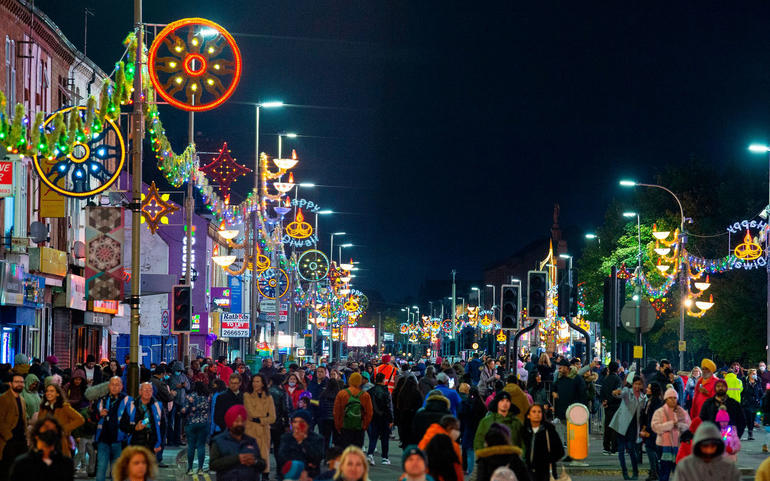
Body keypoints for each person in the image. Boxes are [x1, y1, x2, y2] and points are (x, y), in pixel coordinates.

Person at [210, 404, 266, 481]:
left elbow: (262, 465)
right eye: (236, 421)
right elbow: (213, 465)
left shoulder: (251, 441)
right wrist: (237, 459)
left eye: (242, 421)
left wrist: (255, 462)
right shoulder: (219, 441)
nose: (240, 424)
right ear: (230, 422)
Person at [9, 416, 74, 481]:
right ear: (36, 435)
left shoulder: (66, 464)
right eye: (46, 428)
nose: (49, 433)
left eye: (53, 431)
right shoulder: (23, 463)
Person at [671, 421, 740, 481]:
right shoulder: (685, 465)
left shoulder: (728, 467)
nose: (709, 450)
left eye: (712, 446)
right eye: (705, 446)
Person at [93, 376, 131, 481]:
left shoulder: (127, 400)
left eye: (117, 385)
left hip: (119, 440)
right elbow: (93, 417)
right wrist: (99, 414)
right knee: (101, 469)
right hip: (103, 440)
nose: (114, 387)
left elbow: (132, 419)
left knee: (116, 473)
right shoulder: (103, 400)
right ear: (109, 386)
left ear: (121, 386)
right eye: (112, 384)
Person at [609, 375, 646, 480]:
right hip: (622, 423)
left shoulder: (643, 397)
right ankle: (625, 472)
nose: (637, 386)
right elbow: (619, 394)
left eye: (639, 384)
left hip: (633, 425)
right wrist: (616, 393)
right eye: (635, 384)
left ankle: (635, 472)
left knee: (631, 449)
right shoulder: (627, 391)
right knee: (621, 449)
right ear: (632, 384)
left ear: (642, 385)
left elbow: (642, 412)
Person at [651, 388, 690, 481]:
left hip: (678, 446)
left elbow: (688, 426)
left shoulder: (682, 412)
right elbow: (655, 426)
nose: (673, 400)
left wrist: (679, 425)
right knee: (664, 472)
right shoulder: (660, 412)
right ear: (666, 399)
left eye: (675, 398)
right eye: (670, 398)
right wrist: (671, 425)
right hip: (663, 446)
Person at [37, 383, 85, 456]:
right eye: (47, 391)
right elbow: (39, 423)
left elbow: (80, 419)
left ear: (58, 394)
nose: (48, 393)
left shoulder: (64, 407)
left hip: (60, 444)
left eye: (52, 391)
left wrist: (63, 429)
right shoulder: (43, 407)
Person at [244, 373, 276, 480]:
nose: (255, 383)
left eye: (257, 381)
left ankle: (265, 475)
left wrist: (260, 420)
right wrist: (263, 417)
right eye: (253, 381)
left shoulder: (269, 397)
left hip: (264, 431)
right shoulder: (247, 395)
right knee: (251, 455)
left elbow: (273, 417)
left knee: (264, 455)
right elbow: (250, 413)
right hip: (250, 430)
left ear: (263, 384)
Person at [520, 403, 562, 481]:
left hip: (545, 473)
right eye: (534, 412)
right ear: (528, 415)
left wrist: (546, 460)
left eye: (539, 412)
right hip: (527, 473)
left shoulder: (549, 430)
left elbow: (560, 451)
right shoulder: (524, 431)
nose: (537, 414)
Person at [277, 410, 325, 478]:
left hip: (310, 476)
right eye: (295, 422)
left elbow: (317, 458)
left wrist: (302, 442)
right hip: (290, 474)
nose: (297, 425)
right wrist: (305, 463)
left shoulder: (317, 439)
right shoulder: (286, 438)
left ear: (308, 424)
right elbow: (283, 457)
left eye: (301, 422)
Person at [121, 382, 163, 455]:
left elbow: (163, 427)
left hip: (152, 444)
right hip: (135, 444)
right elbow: (122, 425)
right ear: (140, 392)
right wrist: (135, 428)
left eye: (150, 390)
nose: (148, 392)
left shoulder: (157, 406)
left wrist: (160, 444)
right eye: (145, 390)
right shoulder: (131, 406)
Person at [333, 372, 373, 448]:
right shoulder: (365, 395)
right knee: (357, 451)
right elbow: (369, 413)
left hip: (345, 427)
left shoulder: (341, 394)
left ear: (349, 381)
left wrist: (338, 426)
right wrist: (364, 426)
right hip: (359, 427)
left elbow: (336, 412)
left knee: (345, 450)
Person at [0, 374, 28, 479]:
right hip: (8, 442)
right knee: (7, 471)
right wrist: (8, 437)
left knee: (20, 471)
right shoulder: (3, 399)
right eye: (17, 382)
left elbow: (24, 420)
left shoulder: (22, 400)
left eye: (22, 382)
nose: (20, 384)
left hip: (21, 440)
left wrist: (26, 436)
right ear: (10, 384)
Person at [181, 381, 211, 475]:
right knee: (201, 446)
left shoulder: (190, 397)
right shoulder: (206, 398)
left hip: (191, 423)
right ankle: (200, 469)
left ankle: (190, 469)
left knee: (191, 446)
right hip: (203, 423)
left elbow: (184, 410)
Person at [367, 372, 393, 465]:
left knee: (373, 437)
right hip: (384, 417)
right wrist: (391, 419)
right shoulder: (386, 391)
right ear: (383, 380)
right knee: (385, 438)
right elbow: (389, 406)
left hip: (373, 417)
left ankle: (370, 454)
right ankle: (385, 458)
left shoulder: (370, 391)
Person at [639, 382, 662, 481]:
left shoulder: (656, 402)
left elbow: (653, 417)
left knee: (650, 449)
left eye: (649, 388)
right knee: (651, 449)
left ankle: (654, 472)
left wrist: (648, 430)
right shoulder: (650, 400)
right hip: (650, 428)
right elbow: (646, 415)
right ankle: (656, 471)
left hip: (653, 430)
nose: (647, 389)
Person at [600, 361, 622, 455]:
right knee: (615, 427)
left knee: (607, 426)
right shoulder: (617, 379)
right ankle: (615, 448)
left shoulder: (606, 379)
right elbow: (617, 393)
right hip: (615, 405)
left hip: (607, 406)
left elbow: (602, 391)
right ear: (617, 369)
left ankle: (606, 447)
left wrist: (604, 401)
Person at [168, 360, 190, 447]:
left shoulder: (184, 377)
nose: (179, 372)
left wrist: (185, 386)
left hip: (181, 402)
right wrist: (177, 386)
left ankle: (177, 439)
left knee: (179, 422)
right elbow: (170, 387)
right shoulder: (171, 377)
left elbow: (188, 387)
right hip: (173, 402)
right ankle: (170, 439)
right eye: (178, 370)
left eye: (180, 370)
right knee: (171, 422)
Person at [740, 367, 762, 441]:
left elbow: (760, 392)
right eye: (753, 374)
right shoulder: (745, 381)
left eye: (755, 374)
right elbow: (742, 391)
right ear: (749, 374)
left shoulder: (758, 381)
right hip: (746, 403)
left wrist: (759, 399)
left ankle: (750, 433)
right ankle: (744, 432)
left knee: (752, 418)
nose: (755, 375)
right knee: (747, 418)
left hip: (755, 403)